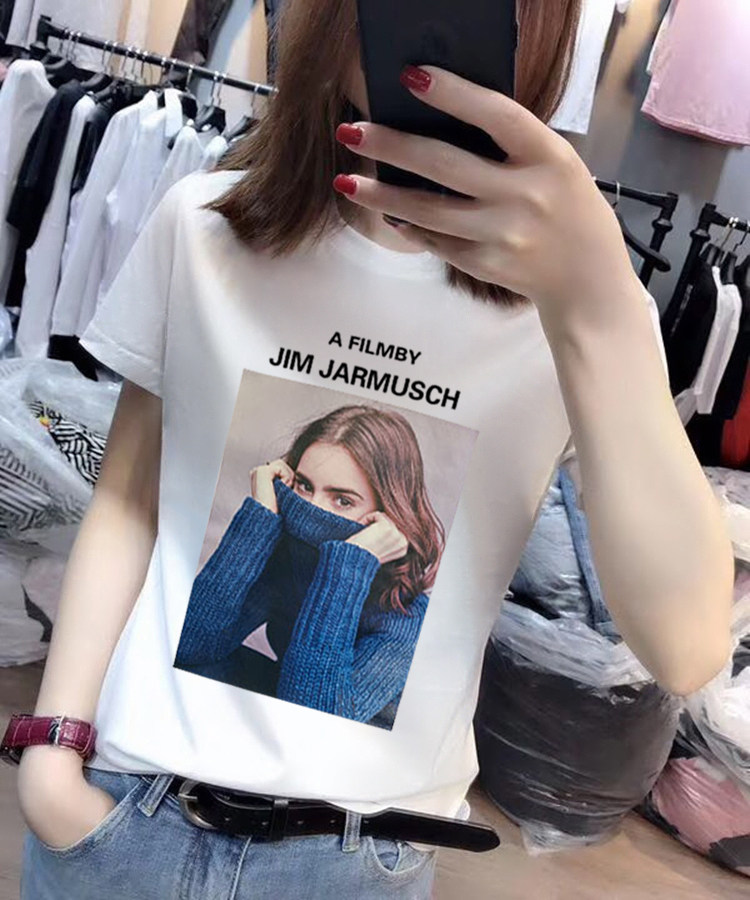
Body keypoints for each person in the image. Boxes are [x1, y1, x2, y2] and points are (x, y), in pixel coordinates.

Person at [16, 0, 734, 897]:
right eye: (307, 487)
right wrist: (53, 756)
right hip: (126, 812)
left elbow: (686, 647)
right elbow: (130, 504)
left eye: (346, 501)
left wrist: (602, 304)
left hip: (355, 862)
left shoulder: (571, 310)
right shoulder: (204, 224)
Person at [173, 404, 444, 730]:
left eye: (342, 500)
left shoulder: (408, 615)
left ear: (387, 513)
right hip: (290, 696)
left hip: (355, 743)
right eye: (303, 485)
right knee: (192, 674)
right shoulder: (293, 556)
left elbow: (315, 721)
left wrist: (350, 565)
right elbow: (187, 646)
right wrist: (260, 517)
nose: (311, 510)